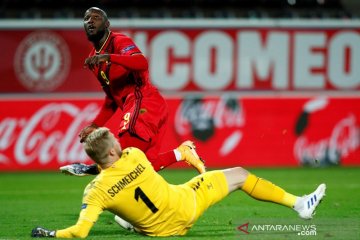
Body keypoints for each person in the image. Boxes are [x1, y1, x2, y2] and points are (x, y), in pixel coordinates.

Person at [31, 127, 326, 238]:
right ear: (111, 151)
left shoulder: (94, 190)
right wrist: (185, 150)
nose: (120, 143)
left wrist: (51, 234)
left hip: (159, 231)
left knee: (113, 204)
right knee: (240, 175)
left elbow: (80, 232)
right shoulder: (133, 154)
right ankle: (300, 205)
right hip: (186, 205)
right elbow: (168, 156)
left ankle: (131, 222)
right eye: (115, 141)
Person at [59, 7, 205, 176]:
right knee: (144, 167)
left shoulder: (118, 41)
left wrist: (109, 57)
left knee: (128, 158)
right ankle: (181, 153)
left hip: (143, 100)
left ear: (107, 24)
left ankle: (89, 169)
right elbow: (112, 99)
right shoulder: (95, 59)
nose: (90, 20)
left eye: (96, 17)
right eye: (86, 18)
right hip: (148, 106)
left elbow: (141, 62)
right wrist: (95, 125)